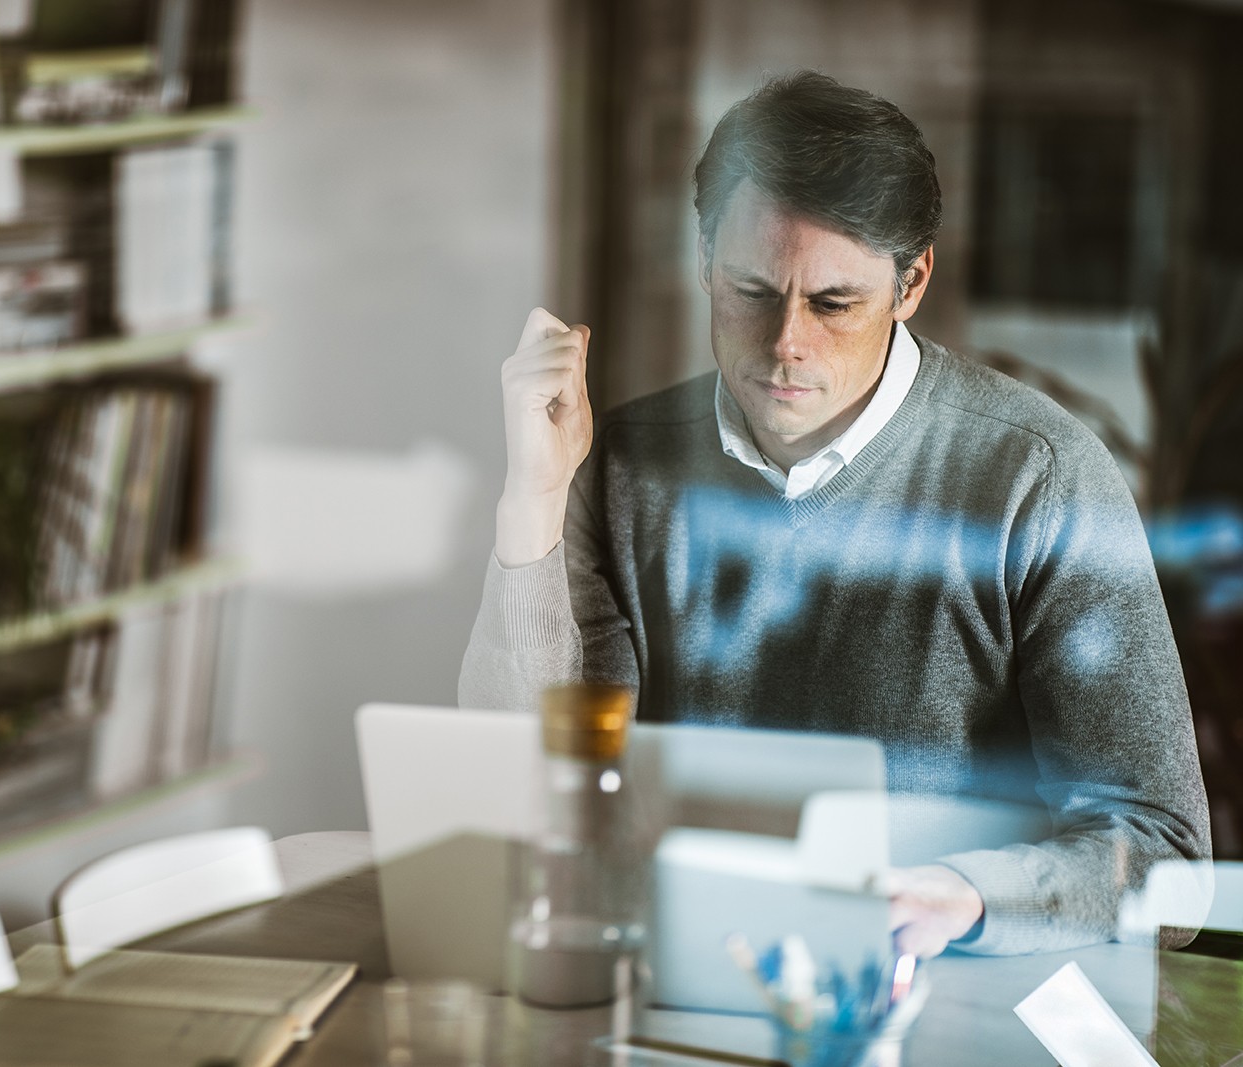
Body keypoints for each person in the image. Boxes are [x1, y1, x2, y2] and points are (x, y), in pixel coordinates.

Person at [459, 70, 1210, 957]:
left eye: (833, 303)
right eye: (751, 289)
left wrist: (969, 897)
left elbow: (1168, 863)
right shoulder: (620, 466)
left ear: (912, 281)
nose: (785, 343)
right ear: (705, 262)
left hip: (949, 989)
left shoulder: (1039, 479)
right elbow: (535, 799)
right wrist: (535, 505)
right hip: (684, 971)